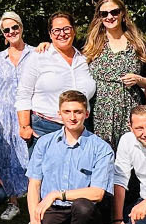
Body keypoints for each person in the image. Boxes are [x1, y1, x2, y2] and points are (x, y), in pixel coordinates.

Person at [19, 91, 113, 224]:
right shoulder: (44, 143)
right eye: (67, 111)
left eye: (78, 112)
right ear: (59, 114)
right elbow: (34, 185)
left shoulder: (100, 147)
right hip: (54, 211)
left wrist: (56, 194)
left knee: (83, 206)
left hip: (85, 212)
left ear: (86, 114)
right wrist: (35, 223)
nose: (72, 117)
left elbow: (97, 193)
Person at [0, 11, 35, 221]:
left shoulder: (36, 54)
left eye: (15, 27)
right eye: (7, 30)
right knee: (6, 158)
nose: (11, 32)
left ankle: (35, 201)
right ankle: (13, 203)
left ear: (21, 28)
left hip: (26, 115)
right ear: (3, 34)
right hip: (2, 116)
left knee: (29, 158)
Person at [83, 0, 146, 150]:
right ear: (99, 17)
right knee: (101, 154)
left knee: (130, 153)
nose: (110, 17)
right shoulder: (91, 45)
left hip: (129, 107)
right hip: (99, 111)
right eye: (104, 14)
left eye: (114, 12)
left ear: (122, 13)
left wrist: (138, 79)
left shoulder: (138, 45)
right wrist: (45, 45)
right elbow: (65, 51)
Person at [16, 12, 96, 146]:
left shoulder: (84, 59)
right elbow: (24, 93)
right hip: (46, 128)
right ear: (50, 34)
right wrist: (24, 126)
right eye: (56, 30)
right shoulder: (38, 57)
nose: (62, 33)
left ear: (74, 31)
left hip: (81, 129)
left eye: (66, 29)